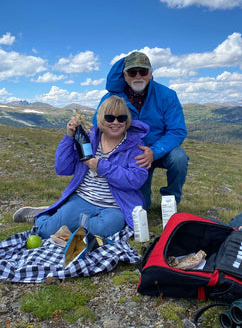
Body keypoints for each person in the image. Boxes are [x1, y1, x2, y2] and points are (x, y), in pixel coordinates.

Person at [13, 96, 149, 239]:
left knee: (106, 226)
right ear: (101, 119)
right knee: (45, 232)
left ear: (127, 121)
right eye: (110, 118)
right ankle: (44, 215)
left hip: (116, 206)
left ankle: (70, 223)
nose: (116, 122)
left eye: (121, 118)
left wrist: (102, 167)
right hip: (83, 199)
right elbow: (62, 168)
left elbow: (136, 179)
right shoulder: (88, 138)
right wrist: (69, 137)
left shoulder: (135, 146)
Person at [94, 51, 188, 208]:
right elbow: (99, 126)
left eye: (143, 71)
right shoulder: (111, 98)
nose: (138, 76)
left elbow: (177, 131)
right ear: (124, 75)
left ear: (150, 74)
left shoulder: (167, 95)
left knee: (179, 158)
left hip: (162, 151)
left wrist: (154, 152)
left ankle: (171, 202)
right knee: (142, 206)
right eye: (132, 72)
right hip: (132, 154)